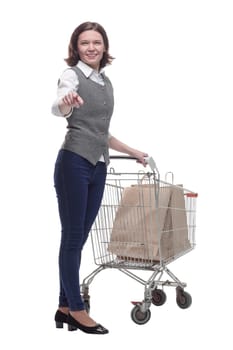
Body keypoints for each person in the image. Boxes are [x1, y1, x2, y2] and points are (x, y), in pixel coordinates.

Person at [52, 21, 148, 335]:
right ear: (75, 47)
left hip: (98, 166)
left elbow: (102, 132)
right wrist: (65, 105)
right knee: (72, 237)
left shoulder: (106, 83)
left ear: (104, 46)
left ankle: (64, 307)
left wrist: (133, 151)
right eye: (84, 43)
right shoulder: (72, 75)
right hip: (74, 163)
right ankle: (77, 310)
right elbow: (59, 103)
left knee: (78, 238)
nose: (91, 48)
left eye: (97, 42)